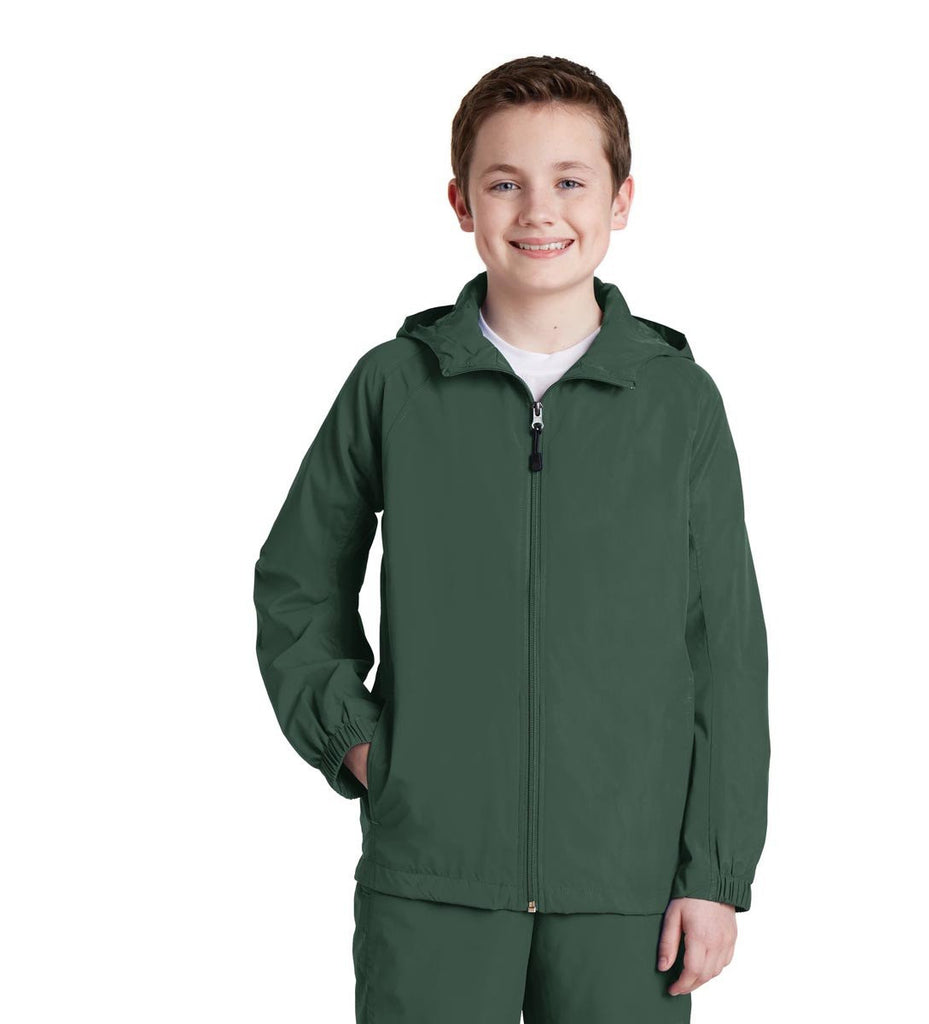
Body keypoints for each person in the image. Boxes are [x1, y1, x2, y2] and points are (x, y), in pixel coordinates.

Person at [253, 54, 770, 1024]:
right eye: (505, 183)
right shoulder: (394, 385)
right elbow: (297, 583)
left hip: (627, 892)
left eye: (570, 181)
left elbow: (726, 649)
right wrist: (360, 745)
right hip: (433, 878)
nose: (539, 211)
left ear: (621, 200)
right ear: (461, 202)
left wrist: (714, 872)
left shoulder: (677, 401)